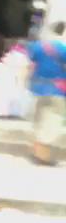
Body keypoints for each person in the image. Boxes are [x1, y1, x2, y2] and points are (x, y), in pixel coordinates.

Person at [30, 22, 66, 165]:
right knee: (53, 121)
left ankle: (38, 153)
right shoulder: (63, 49)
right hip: (57, 90)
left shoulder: (38, 46)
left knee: (39, 120)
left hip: (38, 87)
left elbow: (31, 66)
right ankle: (43, 157)